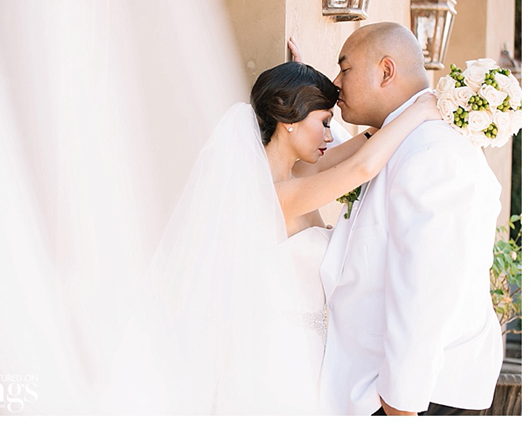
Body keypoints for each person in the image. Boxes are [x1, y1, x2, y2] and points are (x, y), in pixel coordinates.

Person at [146, 59, 440, 413]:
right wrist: (422, 110)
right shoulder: (271, 194)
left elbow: (364, 146)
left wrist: (398, 108)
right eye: (325, 122)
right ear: (289, 120)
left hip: (311, 352)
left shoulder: (298, 174)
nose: (330, 136)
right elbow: (362, 167)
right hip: (278, 359)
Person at [291, 22, 503, 415]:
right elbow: (353, 162)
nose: (336, 83)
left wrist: (400, 402)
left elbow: (429, 287)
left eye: (345, 69)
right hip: (374, 388)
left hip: (415, 396)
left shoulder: (434, 153)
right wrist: (300, 112)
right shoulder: (404, 140)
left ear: (386, 71)